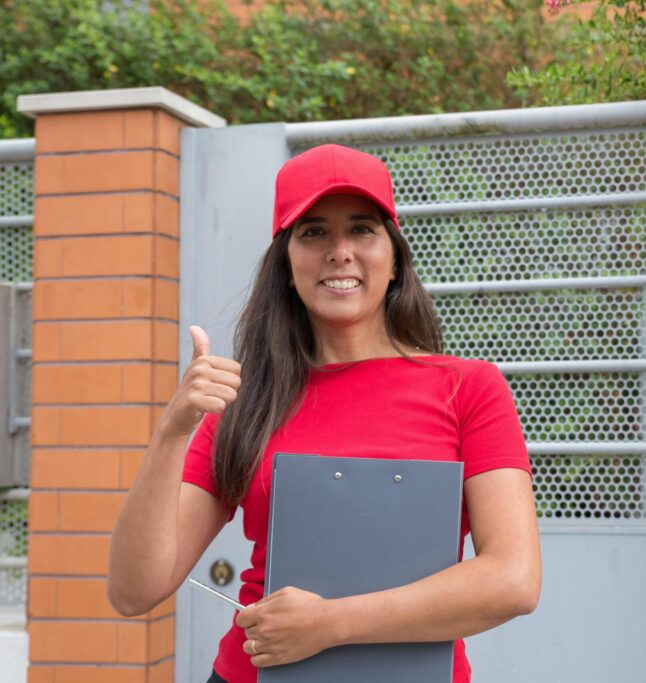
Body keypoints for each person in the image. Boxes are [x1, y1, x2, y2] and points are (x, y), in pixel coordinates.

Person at [107, 144, 542, 683]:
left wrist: (329, 624)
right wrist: (172, 432)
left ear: (395, 257)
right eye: (313, 232)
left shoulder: (469, 389)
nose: (340, 251)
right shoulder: (247, 402)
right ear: (286, 264)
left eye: (361, 229)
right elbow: (133, 591)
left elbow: (513, 580)